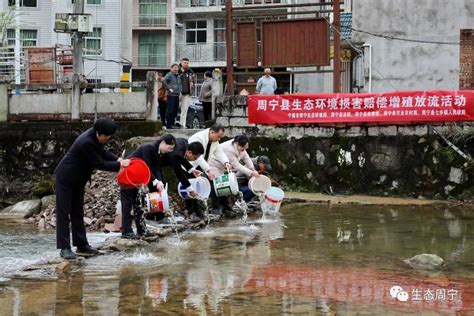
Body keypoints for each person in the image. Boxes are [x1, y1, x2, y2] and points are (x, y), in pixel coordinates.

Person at [55, 118, 130, 260]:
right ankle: (64, 248)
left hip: (79, 179)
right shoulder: (86, 142)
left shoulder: (94, 135)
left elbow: (102, 151)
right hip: (66, 178)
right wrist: (119, 165)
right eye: (107, 137)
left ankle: (82, 245)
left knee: (77, 211)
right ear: (99, 134)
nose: (108, 139)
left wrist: (117, 159)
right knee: (64, 213)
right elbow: (99, 163)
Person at [120, 134, 176, 239]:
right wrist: (155, 181)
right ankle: (126, 231)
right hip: (128, 176)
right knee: (127, 204)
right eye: (169, 148)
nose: (169, 151)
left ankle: (142, 230)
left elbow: (157, 169)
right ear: (163, 142)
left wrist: (160, 182)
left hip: (138, 178)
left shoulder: (159, 152)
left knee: (139, 204)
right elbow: (146, 166)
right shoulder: (148, 148)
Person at [188, 124, 231, 216]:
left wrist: (226, 162)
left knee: (212, 184)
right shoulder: (198, 138)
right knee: (192, 187)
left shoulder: (214, 141)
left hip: (204, 165)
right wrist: (208, 170)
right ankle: (192, 211)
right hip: (192, 165)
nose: (219, 139)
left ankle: (217, 208)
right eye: (218, 136)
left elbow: (219, 152)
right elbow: (198, 157)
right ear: (212, 132)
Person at [209, 135, 259, 211]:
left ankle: (225, 207)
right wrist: (251, 173)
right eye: (243, 148)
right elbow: (237, 166)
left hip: (223, 166)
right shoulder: (229, 149)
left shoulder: (240, 146)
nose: (244, 150)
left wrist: (253, 168)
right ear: (238, 145)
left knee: (222, 186)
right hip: (214, 165)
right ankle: (216, 208)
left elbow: (246, 158)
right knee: (216, 186)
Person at [161, 138, 205, 220]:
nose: (194, 160)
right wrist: (190, 190)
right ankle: (158, 217)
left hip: (166, 161)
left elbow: (183, 159)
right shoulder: (176, 154)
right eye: (195, 158)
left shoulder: (184, 143)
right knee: (160, 187)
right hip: (155, 162)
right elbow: (179, 174)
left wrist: (192, 170)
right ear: (190, 152)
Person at [163, 64, 181, 129]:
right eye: (175, 68)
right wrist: (169, 88)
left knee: (175, 111)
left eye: (177, 68)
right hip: (171, 95)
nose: (176, 69)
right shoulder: (169, 75)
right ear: (171, 68)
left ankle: (172, 124)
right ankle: (169, 125)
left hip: (177, 95)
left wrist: (180, 89)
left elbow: (180, 84)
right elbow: (164, 80)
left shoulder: (178, 76)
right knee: (170, 110)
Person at [179, 57, 195, 128]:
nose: (186, 64)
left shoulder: (190, 72)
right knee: (173, 109)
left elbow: (193, 81)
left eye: (187, 63)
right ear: (181, 63)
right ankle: (171, 124)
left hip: (187, 93)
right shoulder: (178, 70)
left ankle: (183, 124)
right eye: (185, 63)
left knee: (185, 109)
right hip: (177, 92)